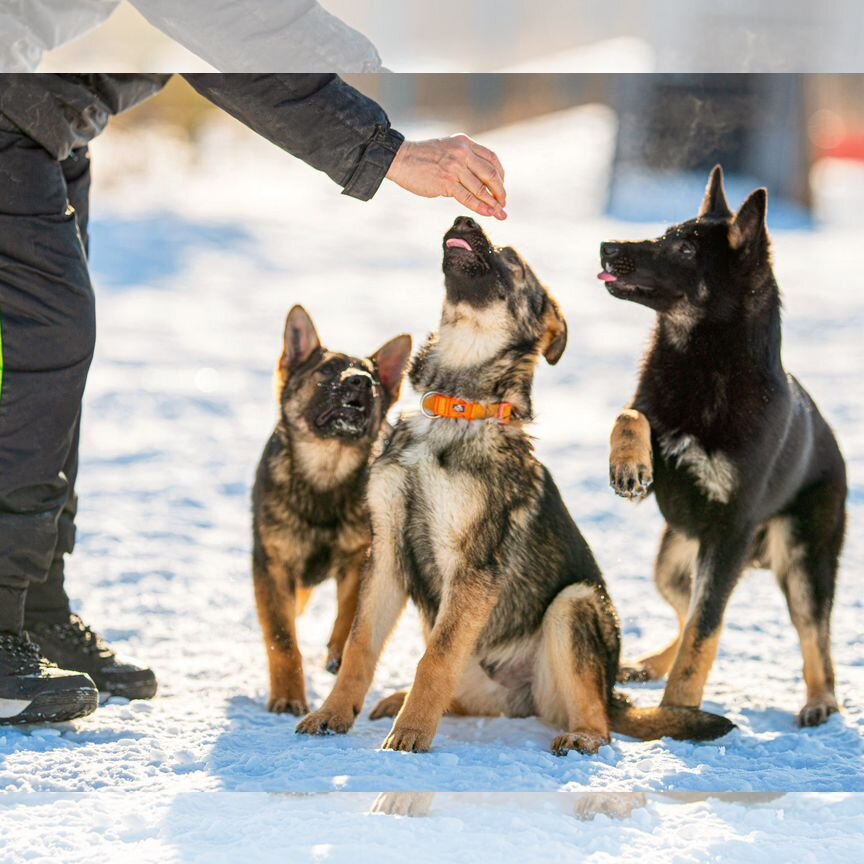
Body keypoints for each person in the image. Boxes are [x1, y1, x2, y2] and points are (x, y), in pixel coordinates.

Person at [0, 72, 508, 726]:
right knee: (43, 344)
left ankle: (34, 613)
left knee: (58, 359)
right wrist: (389, 153)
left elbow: (260, 34)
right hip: (15, 117)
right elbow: (242, 46)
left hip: (53, 133)